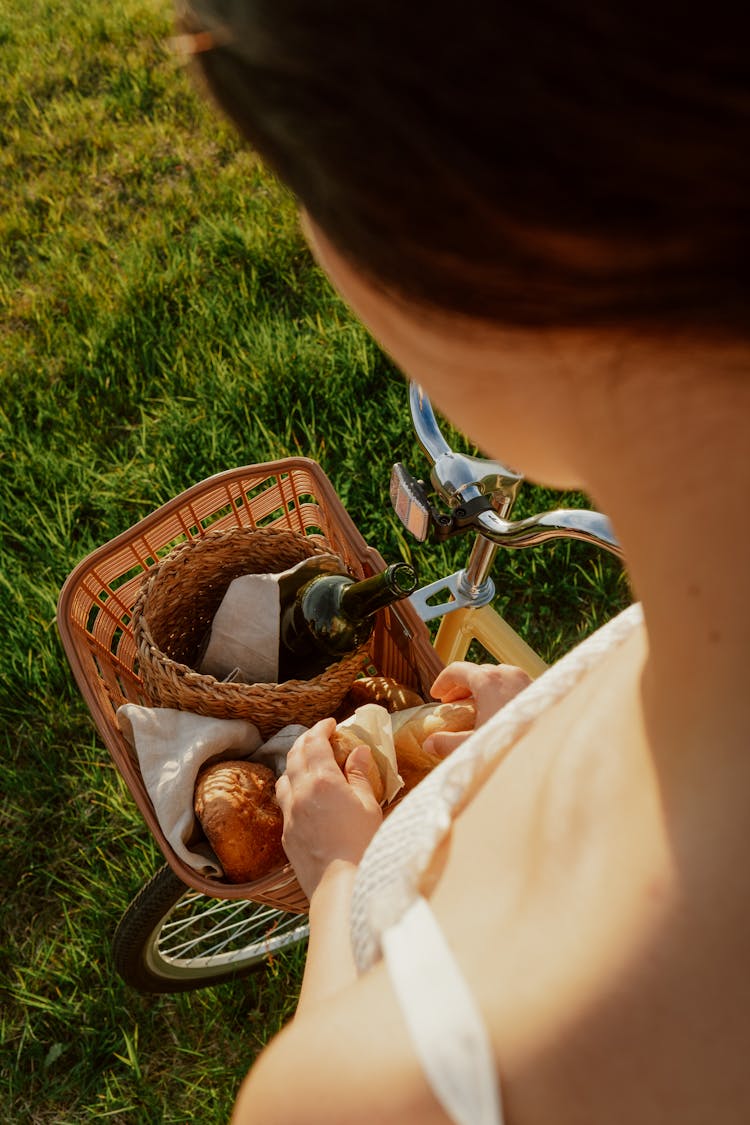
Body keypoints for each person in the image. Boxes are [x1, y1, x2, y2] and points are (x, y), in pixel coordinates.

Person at [174, 4, 750, 1122]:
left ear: (484, 233)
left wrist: (341, 870)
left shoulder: (372, 1097)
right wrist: (556, 718)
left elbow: (353, 1044)